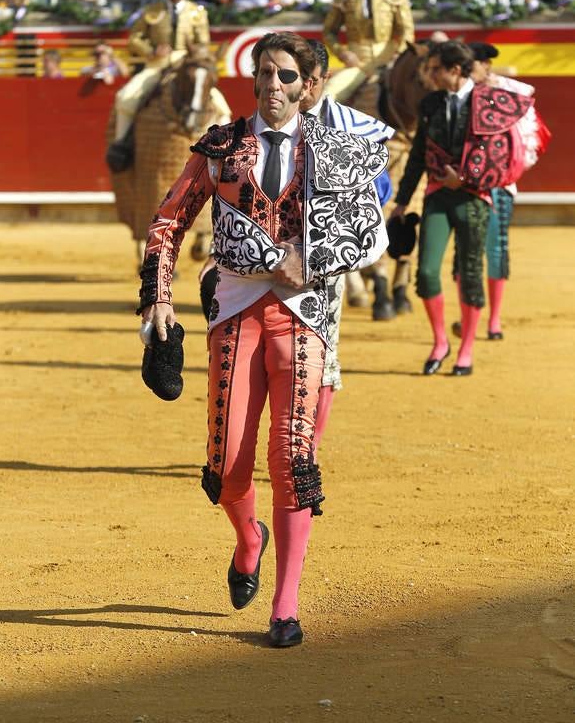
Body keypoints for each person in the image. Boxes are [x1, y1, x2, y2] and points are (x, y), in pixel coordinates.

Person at [137, 32, 389, 646]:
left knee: (293, 461)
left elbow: (370, 230)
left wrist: (315, 254)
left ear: (307, 84)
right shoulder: (222, 145)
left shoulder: (336, 147)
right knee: (225, 467)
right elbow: (169, 220)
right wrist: (159, 298)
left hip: (302, 316)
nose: (271, 86)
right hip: (235, 311)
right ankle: (250, 539)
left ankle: (286, 606)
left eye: (283, 76)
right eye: (263, 74)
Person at [391, 40, 533, 376]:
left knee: (469, 274)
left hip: (474, 198)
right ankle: (441, 341)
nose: (431, 74)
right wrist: (401, 200)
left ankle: (466, 349)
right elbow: (417, 156)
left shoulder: (489, 103)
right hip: (439, 195)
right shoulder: (431, 104)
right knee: (426, 272)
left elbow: (500, 154)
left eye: (436, 68)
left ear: (455, 70)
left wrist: (467, 177)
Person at [300, 38, 394, 450]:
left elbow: (381, 188)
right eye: (288, 76)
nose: (298, 89)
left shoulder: (354, 127)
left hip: (325, 258)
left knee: (323, 355)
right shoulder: (258, 128)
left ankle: (308, 448)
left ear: (323, 80)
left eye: (307, 80)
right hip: (263, 259)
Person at [450, 41, 550, 341]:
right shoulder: (457, 98)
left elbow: (530, 135)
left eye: (475, 65)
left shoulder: (508, 93)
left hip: (499, 188)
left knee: (495, 250)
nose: (471, 72)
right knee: (464, 254)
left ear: (485, 66)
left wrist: (506, 173)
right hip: (465, 187)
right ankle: (467, 314)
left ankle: (494, 319)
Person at [114, 0, 229, 141]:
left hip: (187, 64)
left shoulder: (196, 13)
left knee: (222, 109)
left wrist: (195, 55)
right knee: (125, 97)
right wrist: (152, 50)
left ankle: (223, 146)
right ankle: (121, 145)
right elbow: (135, 39)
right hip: (157, 65)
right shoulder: (152, 11)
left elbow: (203, 43)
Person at [323, 0, 414, 103]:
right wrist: (343, 53)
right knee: (328, 95)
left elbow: (406, 31)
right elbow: (329, 31)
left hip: (389, 63)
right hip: (357, 63)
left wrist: (398, 56)